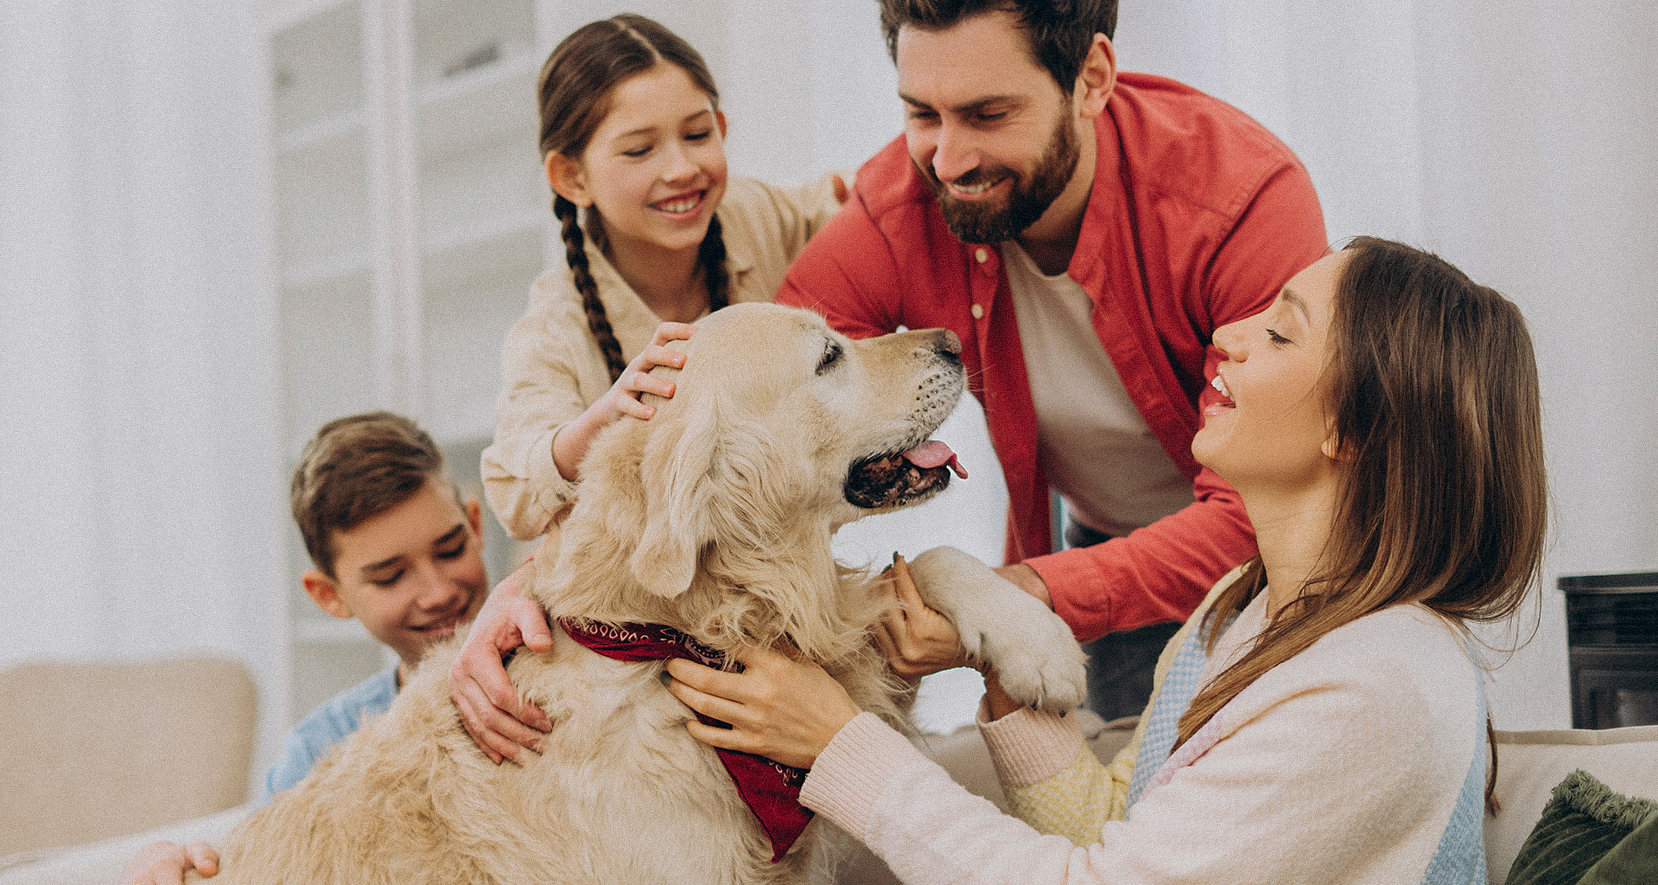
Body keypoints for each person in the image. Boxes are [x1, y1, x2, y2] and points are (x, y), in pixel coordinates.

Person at [667, 237, 1549, 883]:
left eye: (1281, 335)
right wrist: (997, 662)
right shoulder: (1236, 612)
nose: (1230, 333)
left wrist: (840, 743)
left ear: (1350, 428)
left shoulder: (1382, 682)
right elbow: (1112, 832)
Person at [772, 0, 1332, 720]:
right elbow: (774, 404)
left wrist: (1023, 591)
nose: (948, 160)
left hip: (1298, 567)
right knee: (1131, 813)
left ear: (1093, 78)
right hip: (1110, 548)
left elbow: (1263, 504)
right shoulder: (899, 208)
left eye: (989, 114)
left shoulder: (1240, 197)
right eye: (922, 115)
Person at [460, 13, 843, 762]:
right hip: (631, 648)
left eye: (698, 135)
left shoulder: (754, 216)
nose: (682, 169)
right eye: (640, 149)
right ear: (571, 176)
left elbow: (852, 206)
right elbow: (518, 484)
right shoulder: (555, 325)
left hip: (767, 607)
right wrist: (605, 416)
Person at [119, 412, 490, 885]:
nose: (438, 591)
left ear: (475, 525)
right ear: (329, 596)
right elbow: (268, 860)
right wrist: (175, 861)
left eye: (451, 550)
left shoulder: (568, 670)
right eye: (391, 577)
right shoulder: (319, 750)